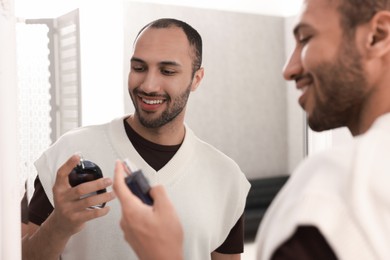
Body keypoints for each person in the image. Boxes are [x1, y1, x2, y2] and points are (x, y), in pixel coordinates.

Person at [113, 0, 390, 259]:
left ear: (377, 36)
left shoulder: (335, 188)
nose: (288, 69)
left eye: (306, 38)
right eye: (138, 67)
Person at [22, 18, 250, 260]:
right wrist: (59, 225)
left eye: (167, 71)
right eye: (139, 68)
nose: (149, 85)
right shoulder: (68, 154)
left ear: (197, 78)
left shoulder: (226, 177)